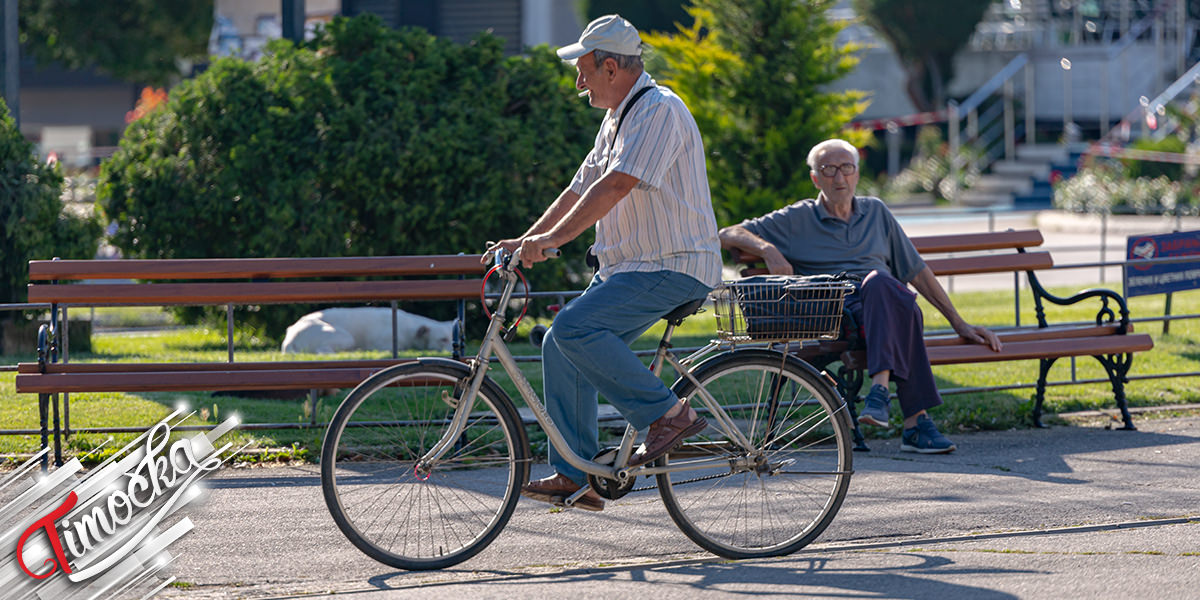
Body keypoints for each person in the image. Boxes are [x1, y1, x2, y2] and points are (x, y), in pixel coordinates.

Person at [485, 14, 722, 510]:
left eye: (583, 69)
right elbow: (579, 189)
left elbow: (616, 187)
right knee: (558, 344)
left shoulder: (659, 110)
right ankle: (579, 475)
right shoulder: (618, 119)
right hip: (633, 268)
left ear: (611, 67)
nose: (578, 81)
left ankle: (668, 415)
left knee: (574, 329)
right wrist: (527, 240)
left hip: (672, 265)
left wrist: (550, 239)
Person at [718, 139, 1002, 454]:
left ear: (856, 173)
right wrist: (767, 249)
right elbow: (728, 233)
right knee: (901, 303)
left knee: (887, 288)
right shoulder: (796, 219)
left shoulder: (877, 212)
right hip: (836, 313)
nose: (838, 178)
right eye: (828, 170)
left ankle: (882, 393)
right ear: (816, 178)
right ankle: (915, 422)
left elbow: (916, 271)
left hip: (882, 306)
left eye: (846, 168)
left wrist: (959, 323)